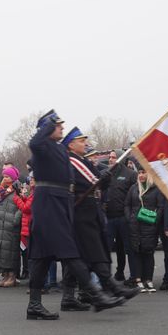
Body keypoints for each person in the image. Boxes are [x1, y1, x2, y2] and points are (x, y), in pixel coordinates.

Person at [26, 111, 123, 320]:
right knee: (69, 251)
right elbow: (34, 143)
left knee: (42, 257)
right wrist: (48, 124)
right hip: (49, 203)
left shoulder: (58, 149)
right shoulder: (41, 148)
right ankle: (96, 295)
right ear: (47, 128)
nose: (62, 128)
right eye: (58, 125)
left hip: (59, 202)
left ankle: (34, 305)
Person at [63, 127, 135, 309]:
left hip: (91, 212)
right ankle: (105, 289)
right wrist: (101, 177)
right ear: (71, 145)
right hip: (81, 214)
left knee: (92, 255)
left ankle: (95, 292)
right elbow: (92, 181)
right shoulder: (73, 161)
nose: (85, 143)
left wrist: (105, 178)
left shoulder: (83, 161)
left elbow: (99, 185)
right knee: (89, 255)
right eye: (81, 141)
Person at [124, 162, 164, 291]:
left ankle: (148, 280)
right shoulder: (133, 188)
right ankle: (138, 279)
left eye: (143, 173)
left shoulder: (155, 189)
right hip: (135, 226)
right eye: (139, 173)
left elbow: (160, 207)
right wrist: (130, 218)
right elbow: (127, 205)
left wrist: (154, 220)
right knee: (136, 253)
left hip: (149, 226)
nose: (141, 175)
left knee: (148, 253)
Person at [102, 149, 136, 281]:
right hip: (109, 218)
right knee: (107, 248)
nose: (110, 159)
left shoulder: (130, 174)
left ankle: (133, 277)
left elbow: (135, 197)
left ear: (121, 159)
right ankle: (108, 278)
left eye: (114, 157)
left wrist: (130, 216)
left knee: (128, 249)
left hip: (124, 218)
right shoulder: (105, 174)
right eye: (110, 157)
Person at [0, 166, 22, 287]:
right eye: (4, 176)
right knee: (3, 253)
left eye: (7, 176)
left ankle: (12, 276)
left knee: (11, 252)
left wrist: (15, 220)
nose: (5, 178)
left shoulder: (18, 190)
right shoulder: (1, 191)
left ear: (13, 178)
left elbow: (21, 206)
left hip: (11, 226)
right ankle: (6, 275)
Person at [13, 174, 34, 280]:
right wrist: (23, 198)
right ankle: (28, 273)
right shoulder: (31, 193)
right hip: (26, 227)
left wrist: (17, 199)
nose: (30, 182)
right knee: (26, 252)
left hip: (30, 226)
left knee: (30, 255)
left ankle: (32, 277)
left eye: (32, 179)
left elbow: (26, 208)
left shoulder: (35, 193)